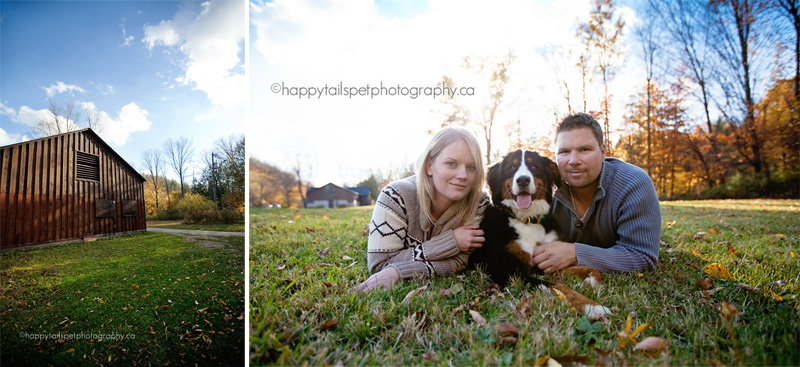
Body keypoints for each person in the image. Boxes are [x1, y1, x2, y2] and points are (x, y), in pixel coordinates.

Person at [354, 127, 490, 292]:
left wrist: (400, 271)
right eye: (451, 164)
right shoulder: (396, 196)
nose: (463, 175)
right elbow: (380, 266)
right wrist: (451, 242)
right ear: (429, 166)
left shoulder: (479, 203)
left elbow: (461, 262)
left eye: (471, 167)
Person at [533, 112, 661, 273]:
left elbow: (642, 257)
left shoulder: (633, 183)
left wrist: (575, 253)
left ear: (603, 152)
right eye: (564, 152)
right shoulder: (542, 188)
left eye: (584, 149)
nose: (573, 161)